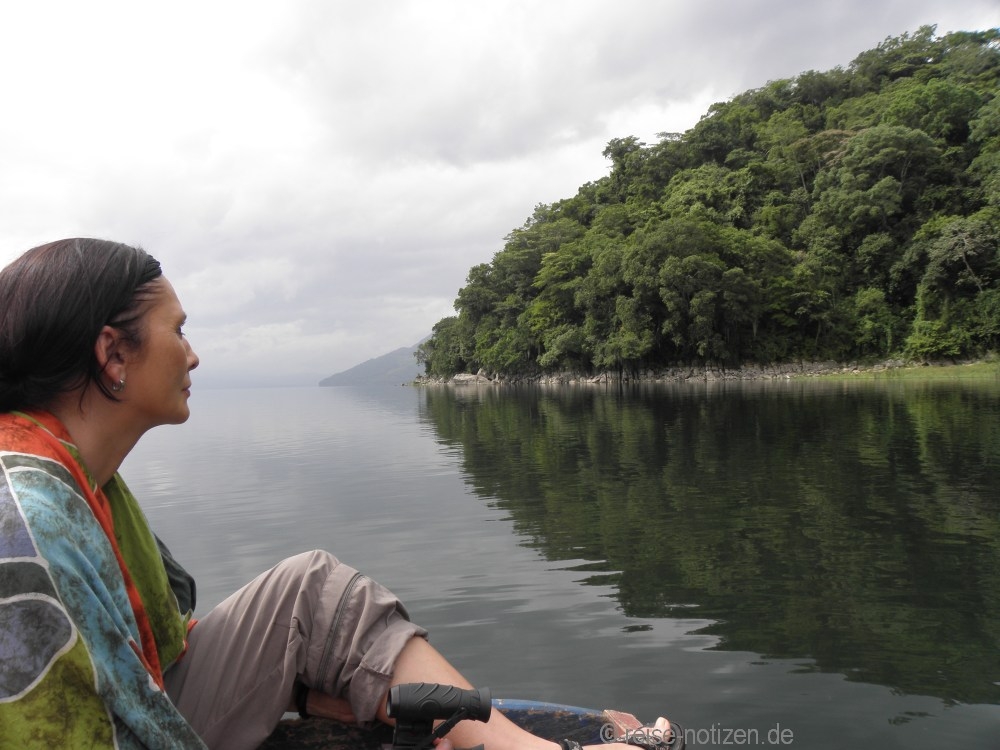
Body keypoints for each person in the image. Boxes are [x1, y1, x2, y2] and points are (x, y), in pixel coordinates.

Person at [0, 238, 680, 750]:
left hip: (152, 695)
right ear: (113, 356)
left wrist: (299, 690)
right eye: (177, 330)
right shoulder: (30, 528)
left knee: (311, 590)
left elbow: (149, 652)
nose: (194, 353)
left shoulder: (78, 477)